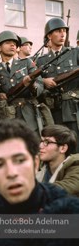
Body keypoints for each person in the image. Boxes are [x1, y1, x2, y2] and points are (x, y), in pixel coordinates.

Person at [36, 17, 79, 152]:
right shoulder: (41, 61)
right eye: (58, 31)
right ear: (49, 35)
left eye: (64, 31)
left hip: (73, 108)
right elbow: (33, 82)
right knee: (57, 149)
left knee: (75, 148)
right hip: (53, 110)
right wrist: (43, 81)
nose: (62, 34)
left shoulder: (75, 53)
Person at [0, 30, 46, 136]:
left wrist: (32, 86)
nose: (12, 45)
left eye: (15, 43)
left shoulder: (26, 62)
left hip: (28, 112)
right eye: (8, 42)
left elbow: (40, 85)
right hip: (7, 114)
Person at [36, 124, 79, 197]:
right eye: (41, 141)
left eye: (47, 142)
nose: (40, 146)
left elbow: (69, 186)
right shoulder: (40, 164)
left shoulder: (76, 165)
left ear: (63, 148)